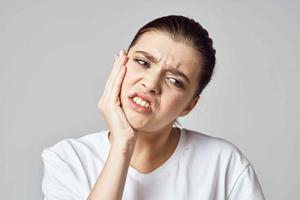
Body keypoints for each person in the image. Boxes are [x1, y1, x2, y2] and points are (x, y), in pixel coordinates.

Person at [41, 15, 265, 200]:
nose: (150, 84)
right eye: (143, 62)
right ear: (121, 63)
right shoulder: (68, 159)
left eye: (175, 81)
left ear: (189, 105)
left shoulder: (224, 165)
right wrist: (122, 145)